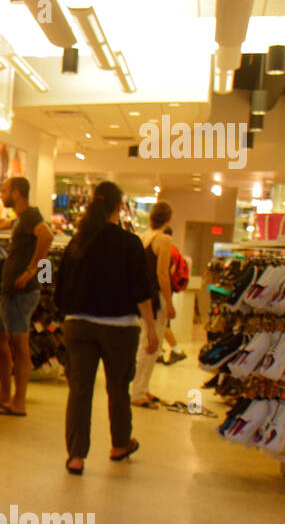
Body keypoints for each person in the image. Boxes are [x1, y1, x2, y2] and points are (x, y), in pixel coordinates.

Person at [54, 181, 159, 475]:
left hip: (78, 325)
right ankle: (120, 444)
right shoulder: (129, 243)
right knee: (118, 388)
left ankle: (76, 456)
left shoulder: (77, 242)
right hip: (119, 328)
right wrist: (151, 328)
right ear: (118, 206)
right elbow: (141, 291)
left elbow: (57, 285)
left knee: (79, 391)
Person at [0, 176, 53, 416]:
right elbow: (4, 224)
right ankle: (4, 395)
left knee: (19, 346)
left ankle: (18, 402)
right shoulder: (22, 219)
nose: (0, 195)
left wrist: (32, 269)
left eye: (3, 191)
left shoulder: (31, 216)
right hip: (11, 291)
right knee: (0, 342)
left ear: (16, 193)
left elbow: (47, 236)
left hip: (20, 293)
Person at [129, 203, 176, 407]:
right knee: (150, 344)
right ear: (168, 219)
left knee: (146, 342)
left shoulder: (142, 238)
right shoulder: (164, 240)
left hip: (141, 295)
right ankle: (138, 391)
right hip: (155, 296)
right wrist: (169, 300)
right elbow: (162, 273)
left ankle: (142, 388)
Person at [158, 225, 187, 365]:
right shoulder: (173, 249)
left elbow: (164, 273)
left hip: (164, 291)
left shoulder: (168, 250)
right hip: (167, 290)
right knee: (161, 323)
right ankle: (159, 351)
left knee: (163, 323)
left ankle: (176, 350)